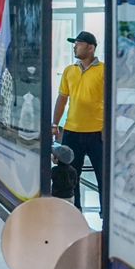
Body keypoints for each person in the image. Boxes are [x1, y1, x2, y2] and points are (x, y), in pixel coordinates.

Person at [52, 31, 106, 210]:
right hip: (72, 132)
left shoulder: (104, 70)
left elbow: (111, 101)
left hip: (97, 133)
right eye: (74, 43)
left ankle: (106, 215)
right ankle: (74, 213)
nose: (74, 46)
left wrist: (107, 128)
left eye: (78, 43)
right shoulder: (69, 70)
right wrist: (54, 124)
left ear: (90, 47)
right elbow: (62, 98)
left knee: (103, 177)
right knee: (69, 178)